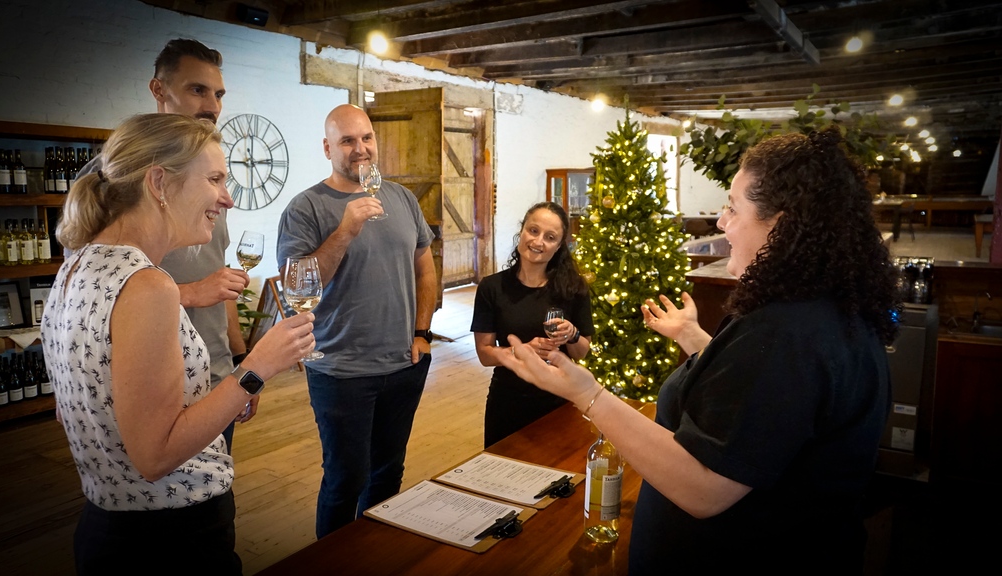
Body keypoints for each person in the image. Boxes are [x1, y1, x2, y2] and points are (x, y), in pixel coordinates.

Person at [500, 128, 899, 573]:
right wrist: (695, 340)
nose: (722, 222)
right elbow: (761, 406)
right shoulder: (822, 311)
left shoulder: (788, 332)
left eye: (733, 207)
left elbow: (704, 487)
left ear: (782, 225)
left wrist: (588, 394)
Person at [42, 114, 316, 574]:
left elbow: (90, 404)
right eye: (214, 179)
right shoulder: (147, 285)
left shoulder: (77, 266)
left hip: (107, 527)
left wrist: (215, 399)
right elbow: (155, 456)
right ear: (159, 183)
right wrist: (255, 370)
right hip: (170, 540)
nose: (227, 198)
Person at [75, 39, 251, 452]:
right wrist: (188, 293)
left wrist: (239, 365)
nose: (212, 105)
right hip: (150, 382)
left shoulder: (207, 179)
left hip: (214, 371)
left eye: (218, 94)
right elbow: (89, 291)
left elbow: (219, 277)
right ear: (159, 90)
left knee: (212, 490)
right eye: (197, 90)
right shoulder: (113, 175)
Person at [276, 104, 437, 538]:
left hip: (404, 365)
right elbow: (297, 290)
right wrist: (345, 229)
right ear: (328, 148)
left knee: (388, 475)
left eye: (366, 138)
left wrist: (422, 332)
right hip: (341, 372)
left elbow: (425, 264)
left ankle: (374, 555)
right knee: (346, 480)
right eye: (347, 141)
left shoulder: (402, 199)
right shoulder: (305, 208)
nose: (360, 149)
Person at [471, 202, 593, 447]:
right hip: (508, 399)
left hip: (559, 399)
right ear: (522, 231)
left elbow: (582, 351)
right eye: (533, 231)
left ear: (559, 247)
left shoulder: (573, 288)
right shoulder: (492, 287)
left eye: (550, 237)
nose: (538, 242)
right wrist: (521, 351)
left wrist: (572, 334)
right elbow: (485, 354)